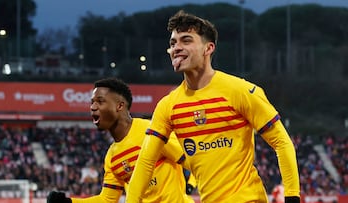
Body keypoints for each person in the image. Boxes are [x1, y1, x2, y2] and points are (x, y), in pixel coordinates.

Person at [126, 10, 300, 203]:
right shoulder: (168, 106)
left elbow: (282, 142)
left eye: (186, 40)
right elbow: (145, 162)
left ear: (208, 48)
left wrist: (292, 196)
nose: (176, 48)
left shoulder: (241, 91)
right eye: (173, 43)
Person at [47, 77, 194, 203]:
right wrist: (69, 202)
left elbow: (193, 162)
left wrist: (197, 185)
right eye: (92, 102)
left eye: (100, 101)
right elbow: (106, 200)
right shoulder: (112, 157)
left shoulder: (152, 131)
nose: (93, 107)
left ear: (119, 106)